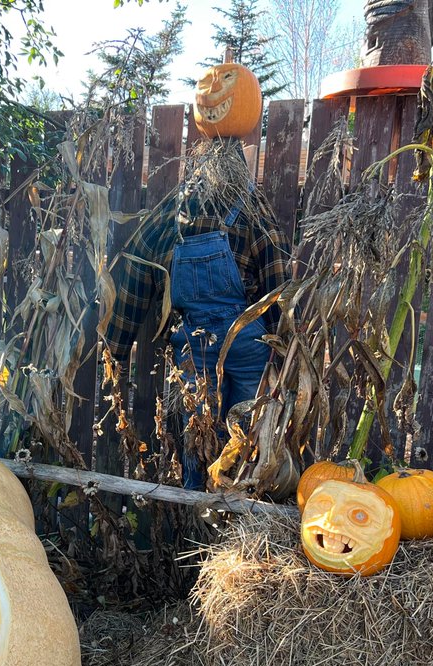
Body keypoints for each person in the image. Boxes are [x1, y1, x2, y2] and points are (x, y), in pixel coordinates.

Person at [101, 63, 290, 490]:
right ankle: (238, 529)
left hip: (194, 344)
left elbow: (136, 270)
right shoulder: (255, 208)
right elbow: (278, 282)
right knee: (247, 441)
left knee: (198, 435)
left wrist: (116, 344)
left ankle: (195, 518)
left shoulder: (176, 208)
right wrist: (284, 349)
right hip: (249, 346)